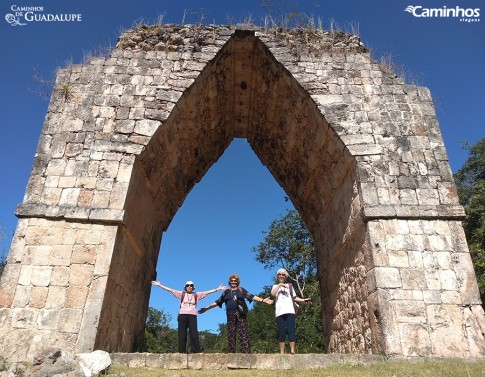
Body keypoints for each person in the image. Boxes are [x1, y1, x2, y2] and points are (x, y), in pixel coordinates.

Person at [198, 273, 273, 353]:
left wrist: (263, 300)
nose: (233, 282)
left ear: (237, 282)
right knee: (231, 333)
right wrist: (207, 308)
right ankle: (232, 353)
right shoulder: (226, 292)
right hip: (230, 314)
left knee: (243, 333)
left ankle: (246, 353)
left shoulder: (241, 290)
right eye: (232, 280)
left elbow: (251, 296)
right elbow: (217, 302)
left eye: (235, 280)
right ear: (229, 282)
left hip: (240, 313)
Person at [151, 280, 226, 353]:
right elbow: (170, 290)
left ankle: (196, 351)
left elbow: (208, 292)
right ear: (185, 287)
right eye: (188, 285)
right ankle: (181, 352)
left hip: (192, 315)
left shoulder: (197, 294)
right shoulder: (181, 294)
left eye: (191, 285)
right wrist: (160, 285)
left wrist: (218, 289)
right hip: (182, 315)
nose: (189, 287)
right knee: (182, 334)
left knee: (194, 333)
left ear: (193, 287)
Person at [271, 268, 312, 354]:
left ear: (285, 276)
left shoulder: (290, 286)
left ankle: (292, 350)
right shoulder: (275, 286)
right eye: (279, 274)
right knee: (281, 332)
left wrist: (304, 300)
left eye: (283, 274)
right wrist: (279, 285)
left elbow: (295, 298)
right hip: (279, 312)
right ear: (278, 276)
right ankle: (282, 352)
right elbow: (273, 294)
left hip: (290, 311)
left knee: (291, 330)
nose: (281, 276)